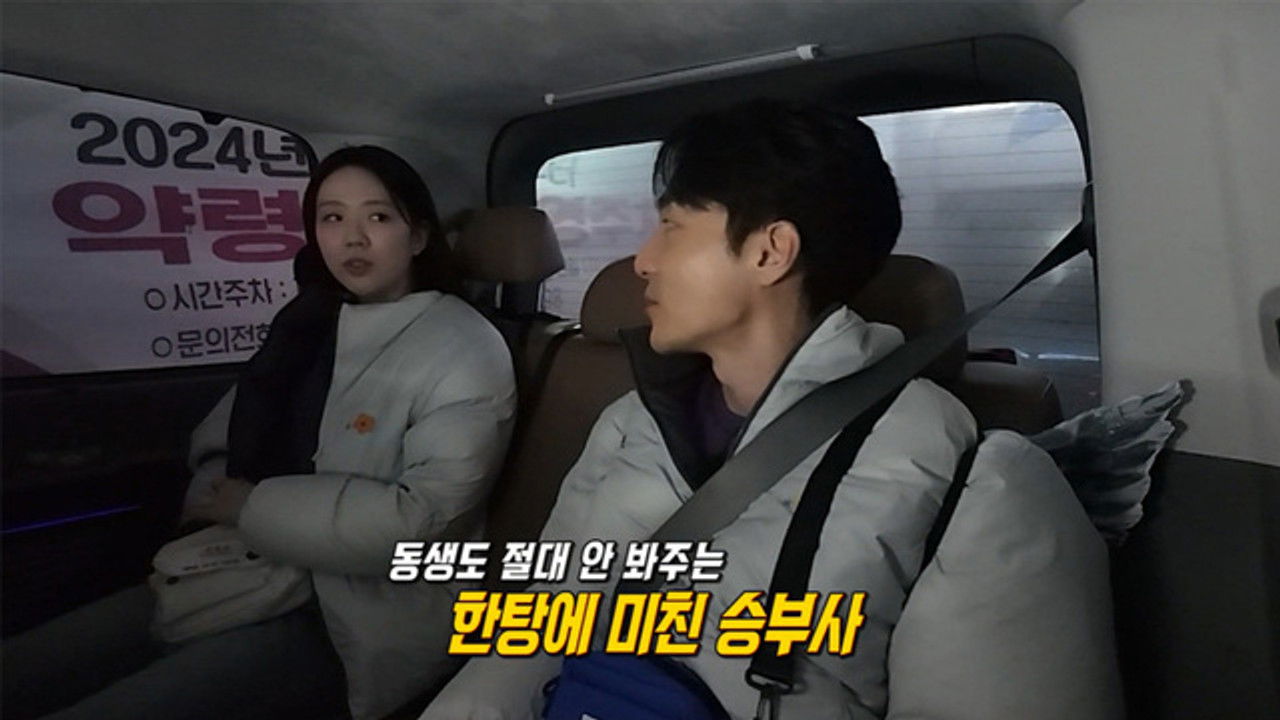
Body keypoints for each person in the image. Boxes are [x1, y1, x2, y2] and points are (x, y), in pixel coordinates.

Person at [422, 100, 1122, 719]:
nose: (642, 260)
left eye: (670, 227)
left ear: (768, 252)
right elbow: (540, 628)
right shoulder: (629, 423)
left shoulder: (975, 477)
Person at [3, 145, 517, 720]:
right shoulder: (311, 322)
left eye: (377, 216)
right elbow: (234, 426)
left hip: (363, 615)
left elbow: (422, 523)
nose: (352, 238)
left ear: (417, 236)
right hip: (252, 561)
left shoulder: (464, 347)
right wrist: (215, 494)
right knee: (27, 668)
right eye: (331, 217)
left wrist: (250, 507)